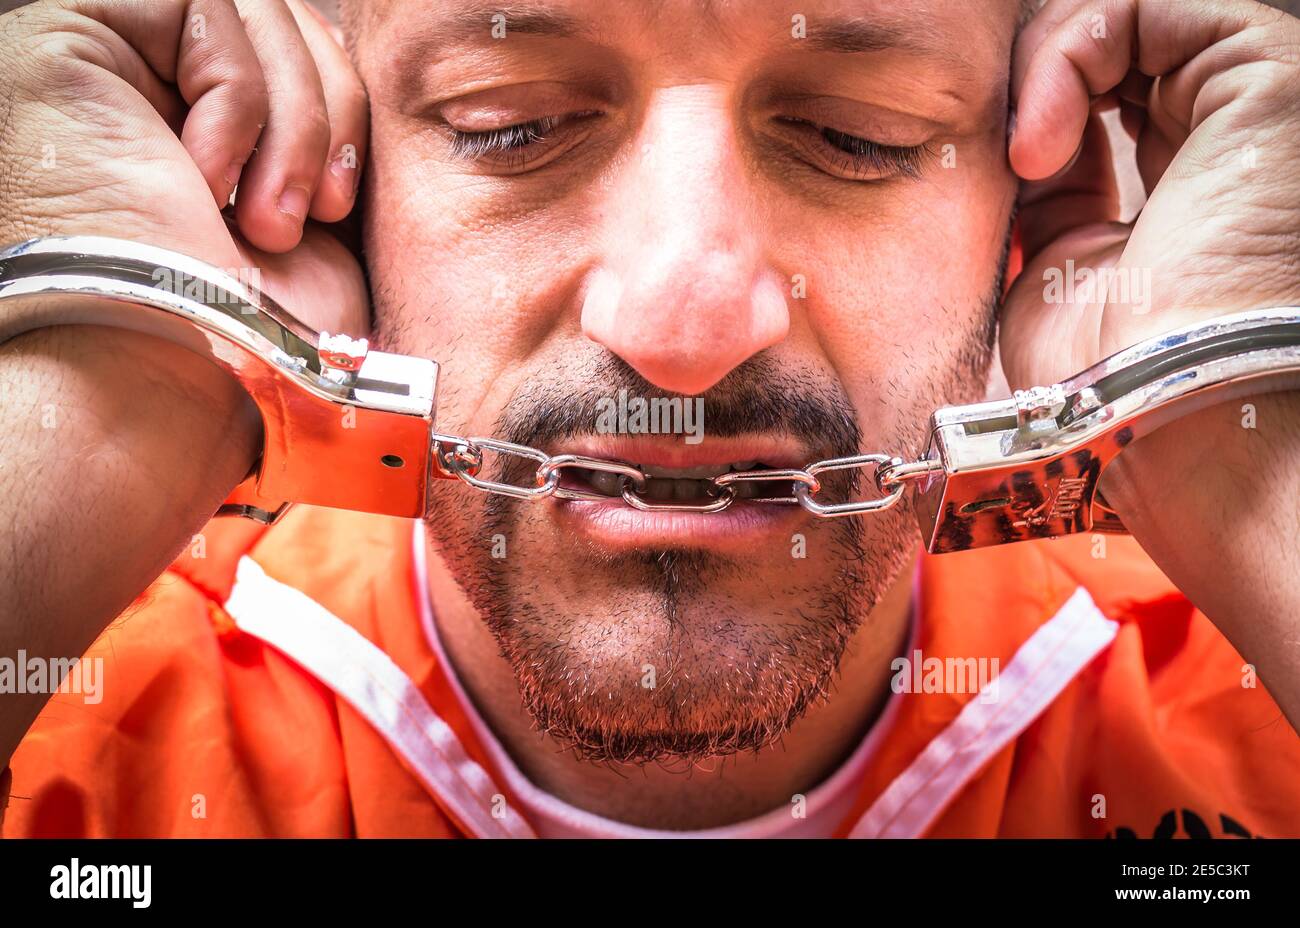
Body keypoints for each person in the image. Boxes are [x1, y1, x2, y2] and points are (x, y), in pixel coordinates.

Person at [0, 0, 1297, 838]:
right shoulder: (80, 702)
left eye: (858, 136)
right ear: (343, 188)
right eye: (513, 126)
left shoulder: (1246, 679)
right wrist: (118, 396)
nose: (685, 322)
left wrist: (1236, 444)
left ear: (1024, 220)